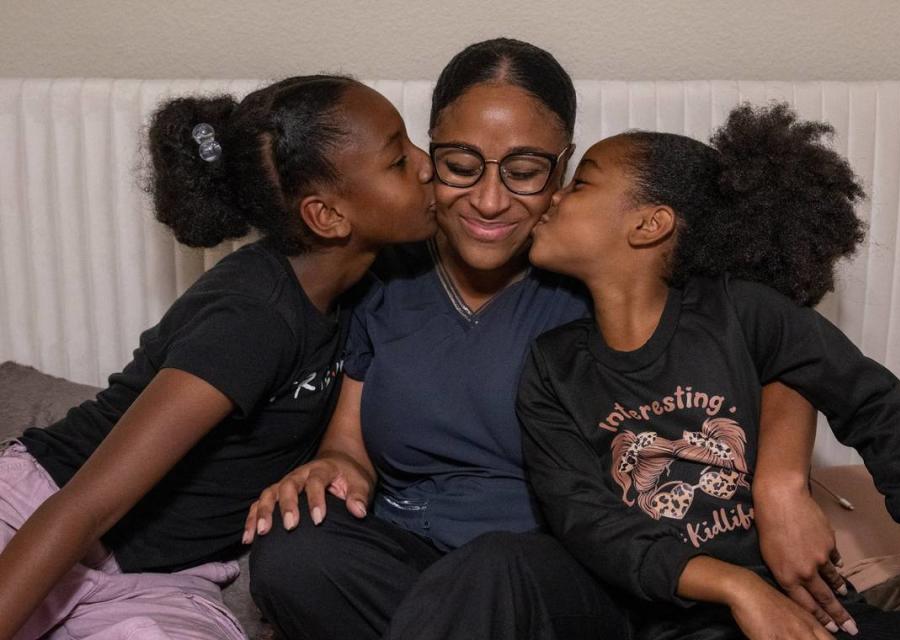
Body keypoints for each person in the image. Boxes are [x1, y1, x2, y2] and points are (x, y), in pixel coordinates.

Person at [247, 41, 854, 640]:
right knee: (291, 556)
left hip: (553, 569)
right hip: (408, 558)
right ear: (427, 154)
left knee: (494, 572)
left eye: (525, 171)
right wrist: (334, 466)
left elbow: (775, 343)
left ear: (561, 169)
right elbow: (349, 444)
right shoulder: (387, 267)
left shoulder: (598, 270)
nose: (489, 199)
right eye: (460, 165)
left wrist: (781, 481)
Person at [0, 74, 436, 640]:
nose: (427, 165)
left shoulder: (370, 283)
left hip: (166, 578)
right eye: (398, 160)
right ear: (327, 216)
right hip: (38, 518)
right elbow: (83, 508)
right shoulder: (252, 317)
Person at [517, 102, 900, 640]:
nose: (553, 196)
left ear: (649, 223)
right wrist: (737, 587)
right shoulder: (552, 365)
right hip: (679, 626)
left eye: (580, 183)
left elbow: (876, 409)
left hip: (822, 616)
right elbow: (586, 521)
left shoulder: (740, 312)